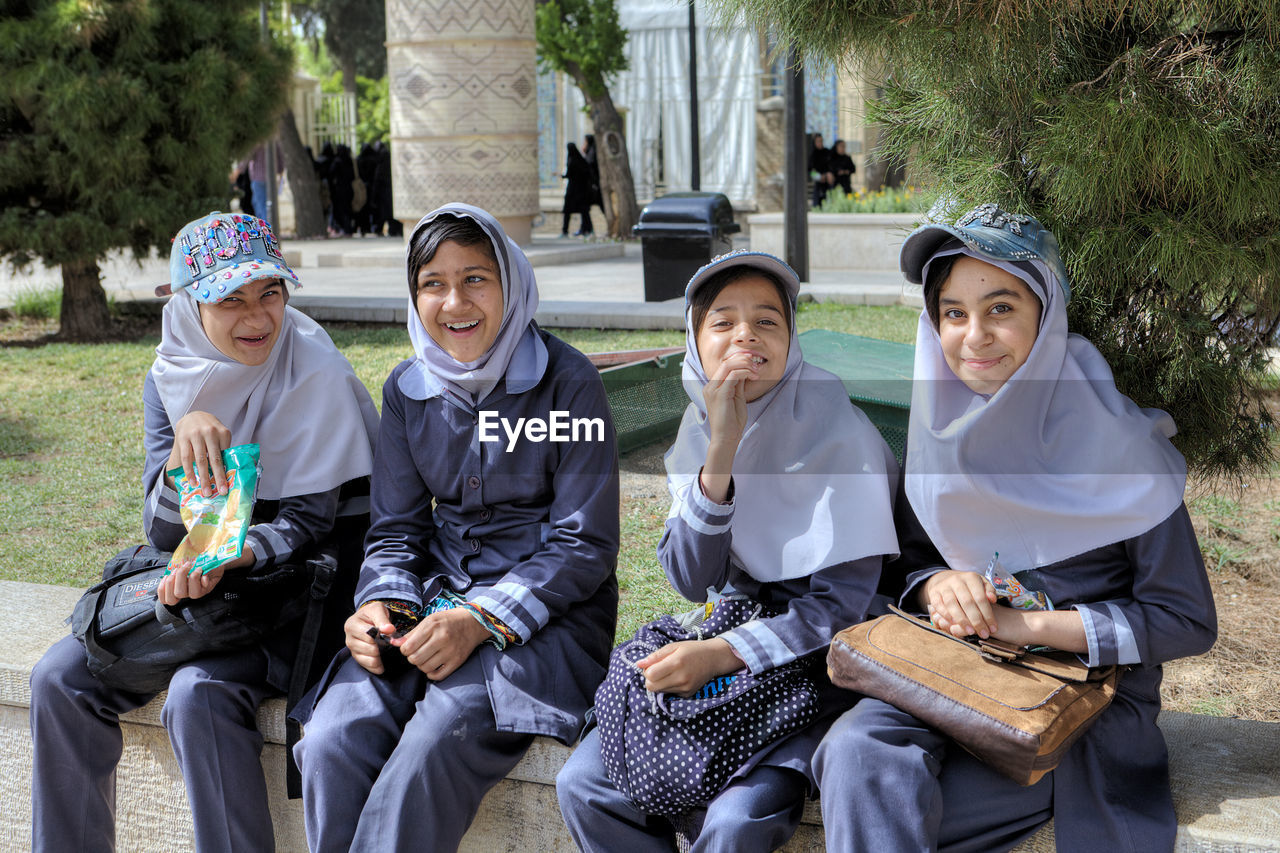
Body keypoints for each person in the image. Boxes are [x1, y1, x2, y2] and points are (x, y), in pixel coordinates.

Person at [813, 204, 1218, 852]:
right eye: (953, 312)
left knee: (889, 811)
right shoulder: (938, 437)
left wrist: (1021, 626)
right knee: (857, 752)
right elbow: (905, 568)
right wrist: (939, 583)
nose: (974, 335)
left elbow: (1186, 617)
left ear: (1046, 315)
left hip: (1075, 718)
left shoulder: (1121, 450)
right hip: (953, 679)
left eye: (1000, 308)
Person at [29, 211, 380, 852]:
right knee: (59, 677)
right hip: (210, 588)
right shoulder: (171, 376)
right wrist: (183, 444)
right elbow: (166, 535)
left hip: (304, 594)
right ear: (191, 306)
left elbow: (310, 524)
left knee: (198, 693)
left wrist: (232, 558)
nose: (258, 318)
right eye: (231, 299)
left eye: (270, 292)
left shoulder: (314, 372)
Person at [292, 202, 620, 853]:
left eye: (476, 278)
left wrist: (479, 620)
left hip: (546, 625)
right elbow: (394, 532)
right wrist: (380, 605)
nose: (454, 301)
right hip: (431, 607)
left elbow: (585, 544)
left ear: (510, 282)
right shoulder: (408, 390)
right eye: (432, 283)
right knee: (331, 739)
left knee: (436, 739)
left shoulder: (569, 382)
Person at [556, 250, 899, 852]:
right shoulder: (701, 430)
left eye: (768, 320)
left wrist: (721, 655)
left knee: (737, 821)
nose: (746, 334)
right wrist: (722, 451)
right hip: (725, 638)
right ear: (695, 342)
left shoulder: (845, 441)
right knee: (584, 785)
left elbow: (842, 610)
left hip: (812, 667)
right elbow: (693, 579)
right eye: (723, 322)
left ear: (792, 341)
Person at [233, 141, 284, 227]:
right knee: (265, 205)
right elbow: (281, 161)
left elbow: (247, 157)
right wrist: (279, 171)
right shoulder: (274, 141)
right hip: (271, 179)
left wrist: (237, 172)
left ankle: (265, 230)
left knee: (262, 207)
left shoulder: (258, 141)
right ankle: (265, 228)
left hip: (258, 178)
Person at [562, 142, 595, 237]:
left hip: (573, 191)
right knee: (584, 212)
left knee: (568, 211)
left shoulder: (572, 161)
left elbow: (569, 175)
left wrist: (561, 176)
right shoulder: (581, 160)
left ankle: (565, 230)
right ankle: (587, 229)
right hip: (582, 191)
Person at [808, 133, 834, 207]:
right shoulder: (813, 154)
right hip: (818, 181)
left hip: (828, 181)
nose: (820, 143)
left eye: (821, 141)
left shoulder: (827, 152)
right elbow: (810, 171)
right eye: (818, 141)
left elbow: (831, 166)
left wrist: (829, 174)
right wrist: (819, 177)